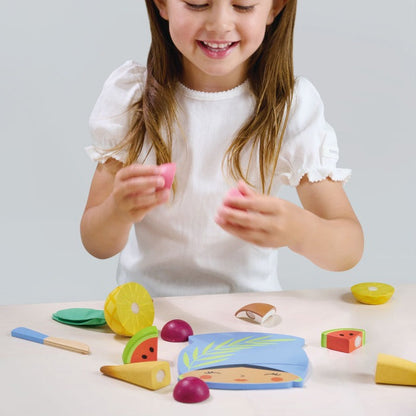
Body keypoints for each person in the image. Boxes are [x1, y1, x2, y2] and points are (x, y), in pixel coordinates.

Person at [80, 0, 364, 297]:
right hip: (146, 312)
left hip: (247, 313)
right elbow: (96, 243)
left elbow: (349, 249)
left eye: (243, 5)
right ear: (162, 4)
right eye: (197, 3)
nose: (219, 24)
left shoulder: (288, 107)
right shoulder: (131, 97)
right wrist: (117, 211)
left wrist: (300, 230)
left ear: (274, 8)